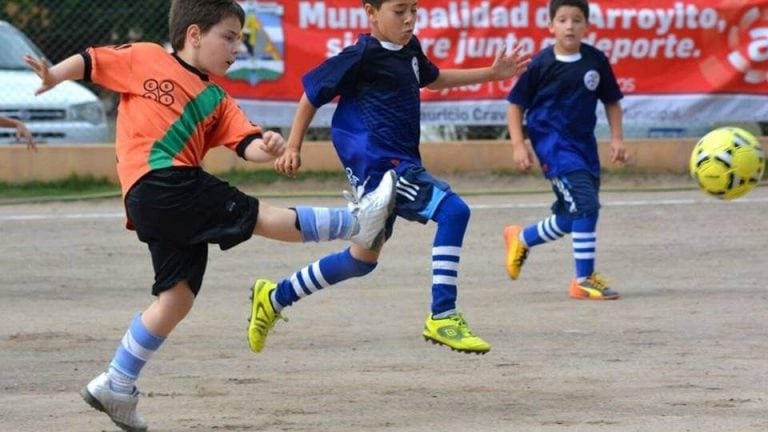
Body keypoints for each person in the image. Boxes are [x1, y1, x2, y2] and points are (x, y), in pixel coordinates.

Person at [24, 1, 395, 431]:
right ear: (195, 35)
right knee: (258, 215)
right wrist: (54, 75)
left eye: (241, 39)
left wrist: (269, 148)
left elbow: (247, 144)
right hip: (163, 181)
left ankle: (117, 383)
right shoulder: (145, 56)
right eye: (230, 37)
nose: (237, 48)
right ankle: (356, 222)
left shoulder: (218, 100)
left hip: (155, 202)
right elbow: (91, 61)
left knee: (176, 297)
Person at [244, 0, 531, 356]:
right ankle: (443, 314)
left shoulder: (410, 49)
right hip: (386, 170)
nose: (409, 18)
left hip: (398, 167)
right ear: (371, 12)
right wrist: (293, 146)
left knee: (359, 261)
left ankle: (275, 296)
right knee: (455, 212)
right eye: (399, 11)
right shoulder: (361, 55)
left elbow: (435, 78)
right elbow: (311, 96)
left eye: (414, 9)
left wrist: (490, 74)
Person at [503, 0, 627, 300]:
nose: (569, 25)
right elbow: (515, 105)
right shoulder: (540, 64)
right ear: (551, 26)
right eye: (562, 19)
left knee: (574, 216)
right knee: (586, 205)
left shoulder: (595, 61)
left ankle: (522, 237)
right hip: (553, 146)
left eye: (576, 19)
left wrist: (617, 138)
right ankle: (583, 279)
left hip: (584, 147)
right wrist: (519, 145)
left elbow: (611, 101)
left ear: (587, 25)